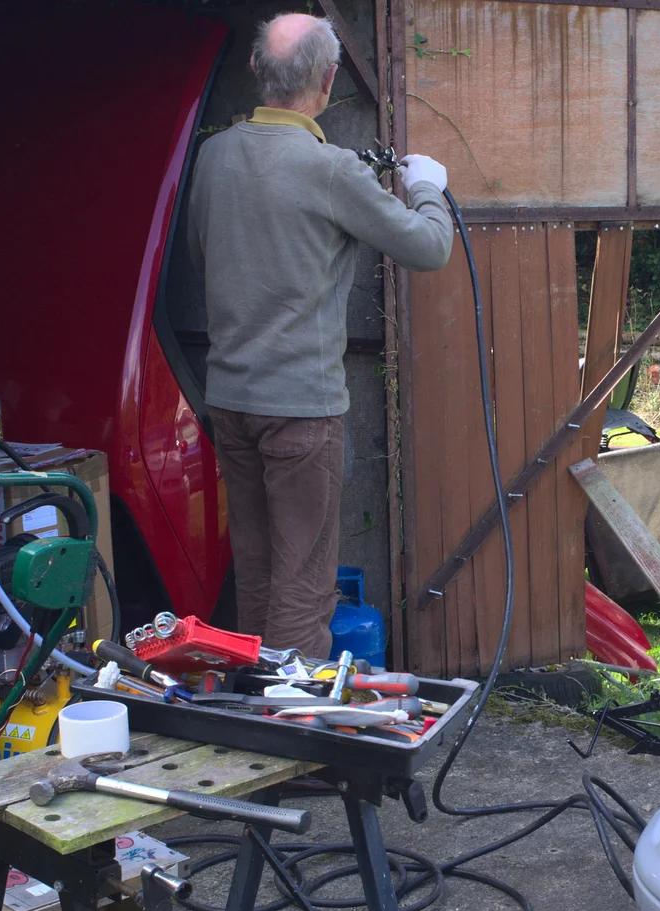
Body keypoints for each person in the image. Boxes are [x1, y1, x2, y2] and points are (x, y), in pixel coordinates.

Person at [188, 12, 452, 654]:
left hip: (230, 402)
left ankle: (250, 714)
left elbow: (203, 258)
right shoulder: (331, 170)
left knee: (256, 573)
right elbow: (428, 248)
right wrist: (428, 190)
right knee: (305, 585)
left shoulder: (213, 156)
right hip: (301, 412)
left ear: (255, 70)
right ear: (330, 80)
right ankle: (292, 736)